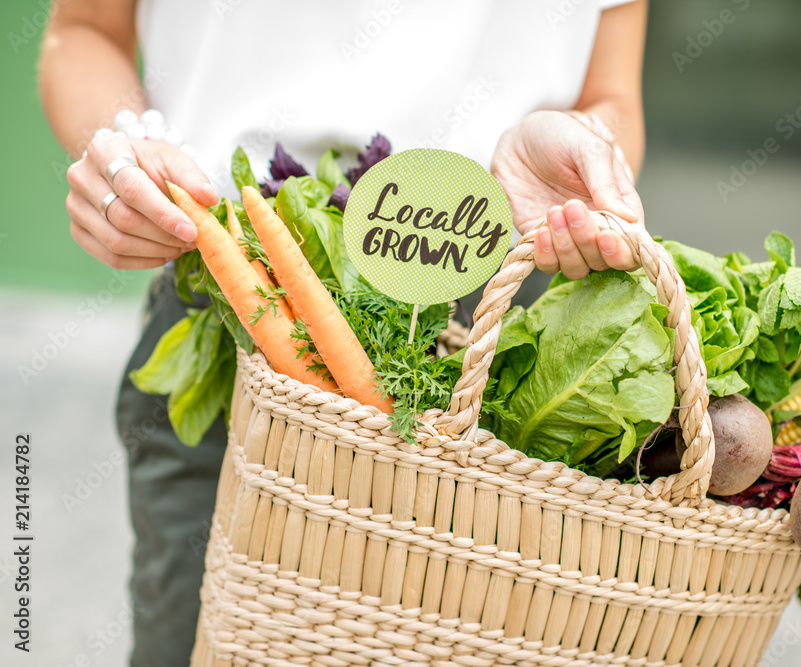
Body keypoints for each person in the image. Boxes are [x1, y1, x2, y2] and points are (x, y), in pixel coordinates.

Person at [39, 1, 648, 664]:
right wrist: (121, 145)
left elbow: (610, 95)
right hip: (237, 273)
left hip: (489, 321)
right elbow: (82, 31)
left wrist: (587, 155)